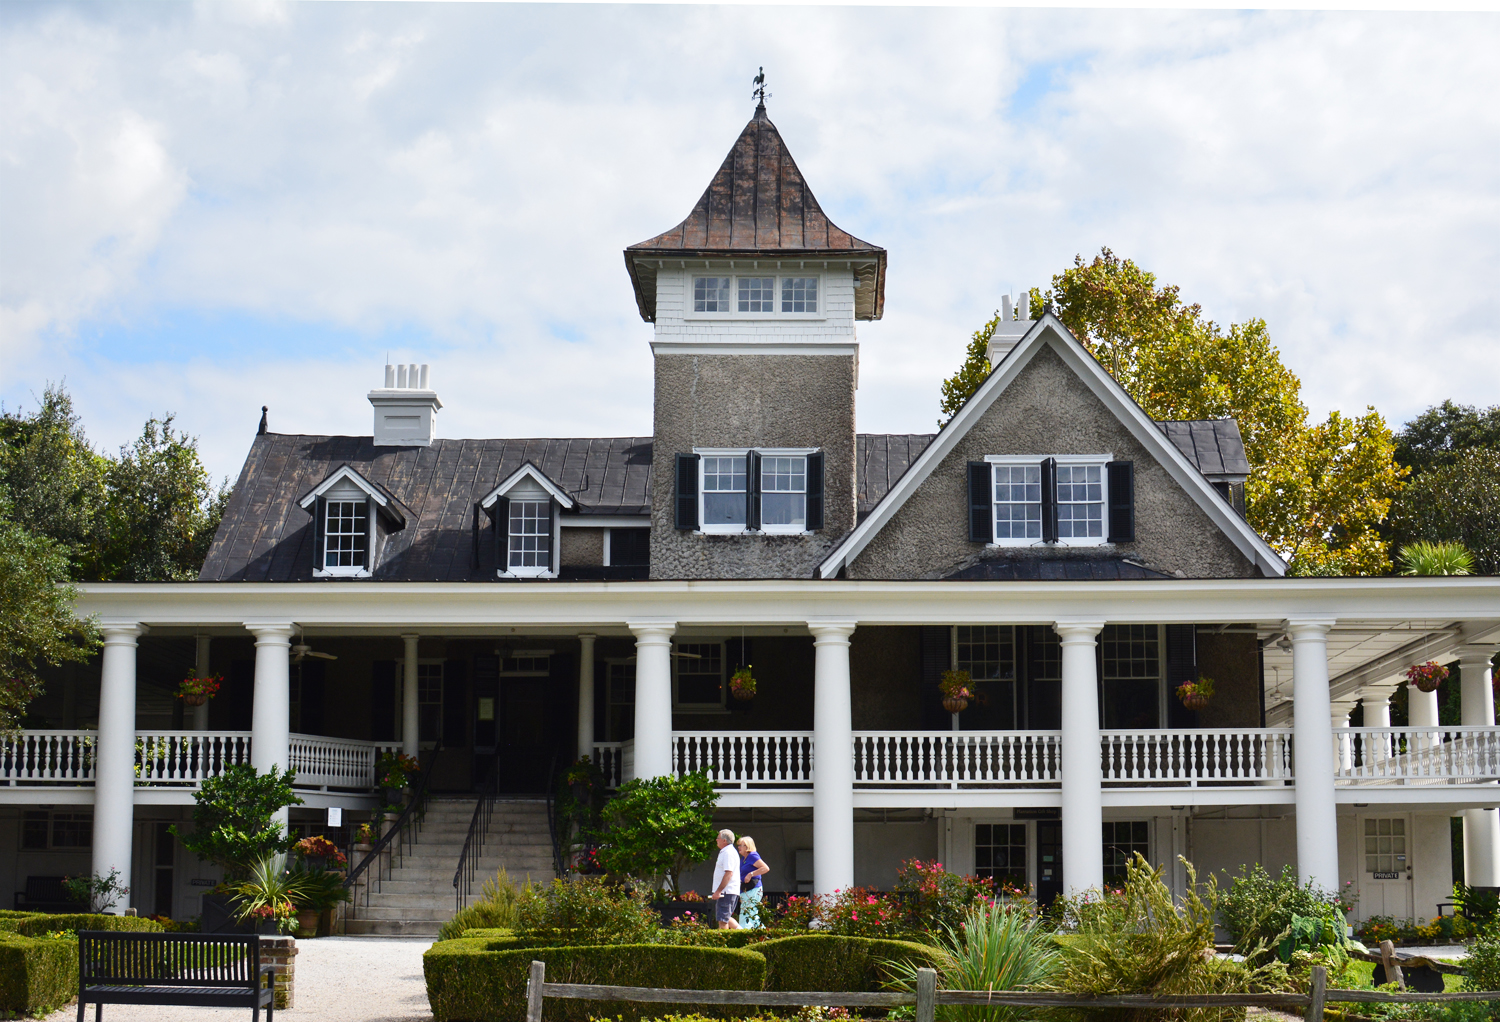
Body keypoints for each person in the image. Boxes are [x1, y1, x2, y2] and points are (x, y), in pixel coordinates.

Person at [708, 828, 741, 929]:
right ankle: (744, 934)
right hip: (727, 891)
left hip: (726, 892)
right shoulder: (727, 851)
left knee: (722, 920)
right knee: (726, 917)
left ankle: (723, 943)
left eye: (718, 838)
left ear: (724, 840)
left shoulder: (728, 853)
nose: (716, 840)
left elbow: (728, 873)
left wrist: (718, 891)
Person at [736, 836, 769, 929]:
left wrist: (751, 874)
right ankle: (759, 932)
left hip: (753, 888)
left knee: (748, 912)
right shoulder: (743, 859)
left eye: (740, 845)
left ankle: (745, 932)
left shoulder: (752, 856)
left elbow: (765, 868)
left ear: (747, 846)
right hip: (745, 889)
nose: (738, 847)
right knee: (751, 913)